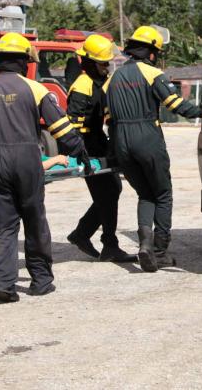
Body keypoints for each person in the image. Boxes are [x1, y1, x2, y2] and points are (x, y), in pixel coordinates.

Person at [0, 32, 90, 303]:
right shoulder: (36, 89)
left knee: (5, 226)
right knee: (34, 220)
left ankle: (3, 284)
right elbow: (62, 130)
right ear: (23, 61)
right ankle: (41, 280)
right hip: (27, 161)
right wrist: (80, 152)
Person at [107, 26, 202, 272]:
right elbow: (174, 103)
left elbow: (108, 118)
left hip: (121, 140)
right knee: (163, 194)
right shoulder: (152, 73)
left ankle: (144, 246)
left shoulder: (113, 78)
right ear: (151, 52)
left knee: (145, 194)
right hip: (147, 136)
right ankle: (159, 251)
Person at [66, 34, 135, 263]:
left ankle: (83, 234)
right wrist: (80, 155)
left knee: (112, 190)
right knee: (107, 193)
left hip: (98, 144)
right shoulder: (83, 86)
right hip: (86, 147)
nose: (107, 67)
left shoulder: (99, 83)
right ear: (89, 62)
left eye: (108, 63)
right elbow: (72, 125)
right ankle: (107, 243)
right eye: (103, 63)